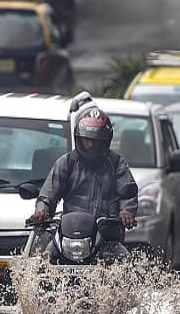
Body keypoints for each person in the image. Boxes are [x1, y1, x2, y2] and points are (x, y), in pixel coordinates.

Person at [29, 107, 138, 260]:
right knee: (41, 261)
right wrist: (41, 212)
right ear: (78, 138)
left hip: (107, 236)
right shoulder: (66, 163)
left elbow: (128, 192)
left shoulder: (117, 164)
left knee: (128, 266)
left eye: (95, 141)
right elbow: (48, 195)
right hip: (68, 236)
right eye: (87, 140)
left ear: (105, 142)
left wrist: (127, 213)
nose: (91, 145)